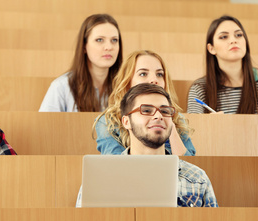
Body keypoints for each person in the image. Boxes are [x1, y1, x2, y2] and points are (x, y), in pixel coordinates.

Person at [78, 83, 217, 207]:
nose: (158, 116)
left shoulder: (197, 179)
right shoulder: (98, 179)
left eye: (164, 111)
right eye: (146, 110)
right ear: (126, 122)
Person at [95, 50, 196, 156]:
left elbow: (188, 164)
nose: (154, 80)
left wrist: (169, 123)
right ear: (127, 81)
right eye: (143, 74)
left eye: (159, 74)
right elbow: (114, 165)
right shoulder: (107, 121)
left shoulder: (177, 118)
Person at [187, 15, 258, 115]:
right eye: (224, 37)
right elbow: (191, 131)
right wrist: (210, 123)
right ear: (211, 48)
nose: (233, 40)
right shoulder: (200, 88)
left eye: (239, 35)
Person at [39, 13, 122, 112]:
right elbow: (47, 126)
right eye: (99, 40)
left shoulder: (126, 85)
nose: (109, 47)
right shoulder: (61, 87)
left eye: (114, 40)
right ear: (84, 46)